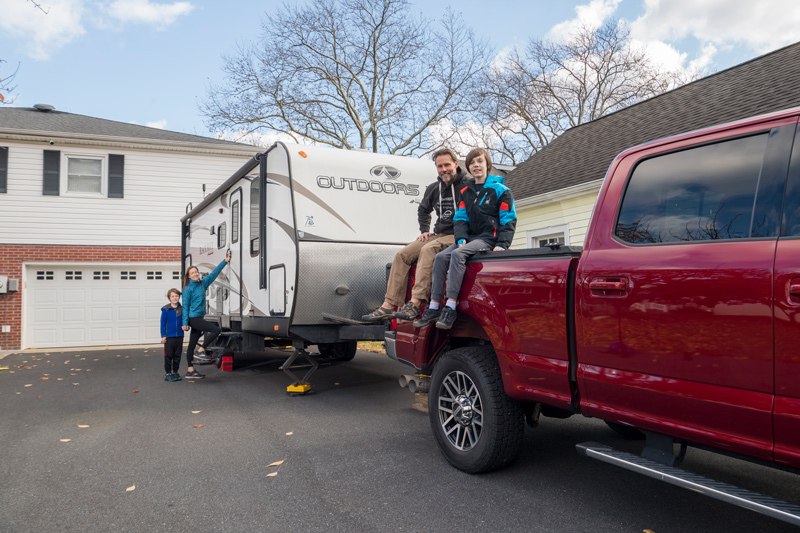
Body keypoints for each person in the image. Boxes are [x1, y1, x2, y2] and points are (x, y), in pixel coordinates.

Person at [413, 148, 516, 330]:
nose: (476, 165)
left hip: (488, 238)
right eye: (472, 163)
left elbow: (508, 218)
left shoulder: (501, 190)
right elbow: (460, 217)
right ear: (468, 167)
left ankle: (451, 307)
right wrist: (461, 238)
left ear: (487, 165)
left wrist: (503, 243)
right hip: (469, 237)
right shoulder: (466, 191)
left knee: (458, 255)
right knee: (440, 257)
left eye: (480, 162)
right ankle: (434, 306)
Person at [362, 148, 468, 322]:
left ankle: (415, 303)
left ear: (456, 164)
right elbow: (423, 210)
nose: (444, 169)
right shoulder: (434, 188)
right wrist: (424, 230)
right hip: (438, 233)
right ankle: (389, 305)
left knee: (428, 249)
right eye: (439, 166)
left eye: (447, 165)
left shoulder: (468, 186)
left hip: (458, 234)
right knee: (403, 255)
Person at [182, 250, 231, 379]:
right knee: (216, 330)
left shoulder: (202, 284)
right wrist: (184, 323)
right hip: (193, 318)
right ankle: (201, 350)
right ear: (189, 276)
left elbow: (214, 273)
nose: (195, 274)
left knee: (192, 343)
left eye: (196, 272)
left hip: (199, 317)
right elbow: (185, 307)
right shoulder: (187, 289)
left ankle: (190, 371)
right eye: (192, 273)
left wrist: (225, 261)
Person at [160, 288, 184, 382]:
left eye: (176, 296)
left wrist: (186, 327)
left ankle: (175, 372)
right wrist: (163, 336)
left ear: (179, 297)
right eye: (173, 296)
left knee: (177, 355)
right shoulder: (166, 310)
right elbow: (163, 323)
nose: (175, 298)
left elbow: (185, 320)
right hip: (169, 337)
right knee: (169, 355)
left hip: (179, 336)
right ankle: (168, 373)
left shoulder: (181, 309)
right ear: (169, 298)